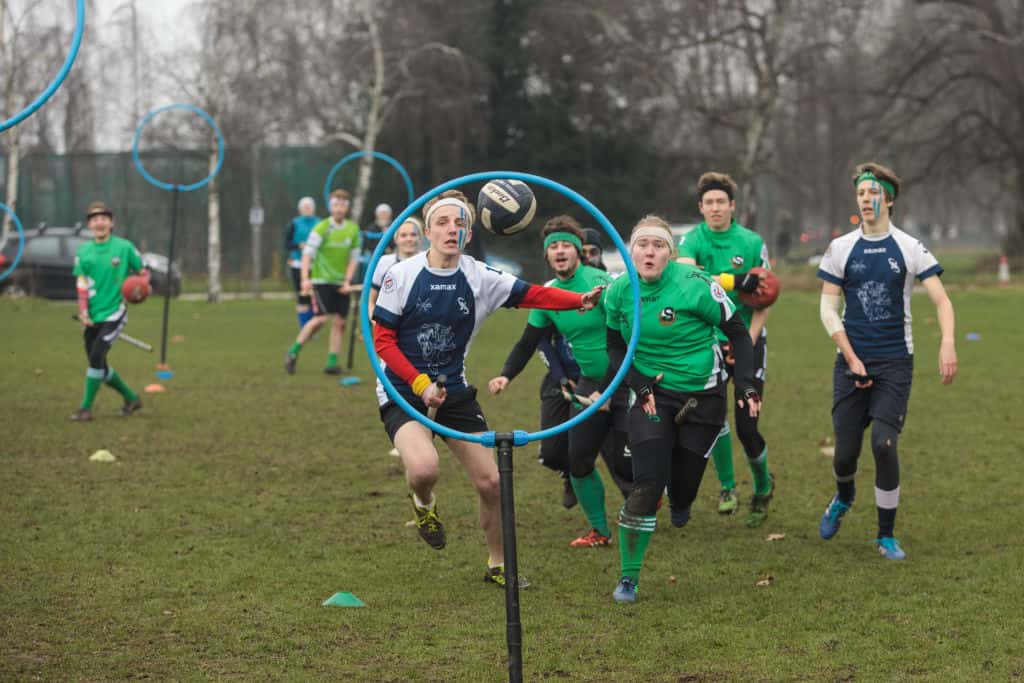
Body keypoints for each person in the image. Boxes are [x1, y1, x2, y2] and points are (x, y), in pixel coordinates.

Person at [371, 190, 604, 586]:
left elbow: (534, 294)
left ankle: (498, 566)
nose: (451, 229)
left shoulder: (479, 276)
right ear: (427, 230)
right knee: (425, 469)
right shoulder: (401, 275)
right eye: (442, 222)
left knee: (493, 482)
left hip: (455, 391)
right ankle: (424, 504)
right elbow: (383, 341)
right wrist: (420, 383)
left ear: (470, 232)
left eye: (460, 223)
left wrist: (578, 299)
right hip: (402, 389)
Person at [603, 215, 761, 603]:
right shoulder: (619, 291)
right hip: (651, 394)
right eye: (642, 245)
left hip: (702, 397)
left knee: (684, 490)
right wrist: (637, 383)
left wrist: (745, 384)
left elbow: (738, 333)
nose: (649, 252)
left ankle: (682, 500)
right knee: (646, 486)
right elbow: (615, 348)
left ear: (670, 253)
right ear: (630, 250)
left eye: (658, 245)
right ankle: (629, 577)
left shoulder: (698, 286)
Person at [816, 162, 957, 561]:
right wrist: (850, 355)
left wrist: (947, 341)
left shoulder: (910, 247)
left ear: (888, 199)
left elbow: (942, 299)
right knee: (845, 455)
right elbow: (828, 310)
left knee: (883, 443)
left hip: (896, 361)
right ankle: (843, 498)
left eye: (873, 192)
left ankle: (885, 535)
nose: (865, 199)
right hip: (850, 362)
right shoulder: (840, 248)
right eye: (861, 193)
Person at [489, 216, 631, 548]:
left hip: (625, 378)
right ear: (547, 256)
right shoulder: (547, 294)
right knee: (577, 459)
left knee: (628, 462)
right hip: (588, 382)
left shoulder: (604, 284)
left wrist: (609, 388)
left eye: (566, 244)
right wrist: (505, 375)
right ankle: (600, 531)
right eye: (553, 246)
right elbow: (528, 342)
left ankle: (650, 500)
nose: (560, 250)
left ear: (579, 251)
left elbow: (627, 338)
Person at [678, 172, 776, 527]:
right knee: (712, 418)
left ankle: (763, 487)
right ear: (701, 208)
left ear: (732, 206)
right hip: (708, 342)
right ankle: (727, 488)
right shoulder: (690, 240)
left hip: (748, 338)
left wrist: (748, 339)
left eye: (722, 202)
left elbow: (766, 295)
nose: (715, 208)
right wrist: (735, 280)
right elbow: (688, 276)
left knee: (747, 427)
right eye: (709, 203)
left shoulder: (751, 242)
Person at [69, 201, 148, 422]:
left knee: (96, 357)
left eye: (104, 218)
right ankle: (132, 398)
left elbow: (143, 274)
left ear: (111, 223)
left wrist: (140, 289)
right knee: (99, 365)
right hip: (92, 315)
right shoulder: (83, 252)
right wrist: (83, 312)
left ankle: (85, 409)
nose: (99, 222)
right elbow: (82, 284)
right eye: (95, 219)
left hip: (115, 313)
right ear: (89, 225)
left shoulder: (124, 247)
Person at [284, 190, 361, 375]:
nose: (339, 208)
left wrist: (348, 280)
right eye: (336, 204)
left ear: (347, 207)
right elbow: (307, 254)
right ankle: (293, 351)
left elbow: (354, 258)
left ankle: (332, 362)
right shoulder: (322, 228)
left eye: (343, 205)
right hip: (321, 280)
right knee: (320, 319)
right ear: (330, 206)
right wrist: (304, 278)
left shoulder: (353, 229)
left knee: (341, 322)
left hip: (341, 282)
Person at [368, 216, 423, 320]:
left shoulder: (427, 262)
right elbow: (371, 298)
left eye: (413, 235)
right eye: (403, 235)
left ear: (420, 238)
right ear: (396, 239)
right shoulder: (385, 262)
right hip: (388, 321)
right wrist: (373, 317)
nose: (409, 239)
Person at [284, 197, 320, 330]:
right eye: (305, 207)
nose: (307, 209)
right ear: (300, 209)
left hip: (316, 265)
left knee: (315, 297)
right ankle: (305, 327)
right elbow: (287, 244)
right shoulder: (294, 224)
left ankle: (312, 326)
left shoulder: (320, 223)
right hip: (298, 264)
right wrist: (299, 245)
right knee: (302, 296)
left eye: (309, 206)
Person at [360, 202, 393, 283]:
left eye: (386, 213)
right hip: (373, 260)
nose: (384, 216)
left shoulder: (394, 227)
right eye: (382, 213)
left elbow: (395, 244)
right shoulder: (371, 228)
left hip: (390, 261)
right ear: (377, 215)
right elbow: (367, 244)